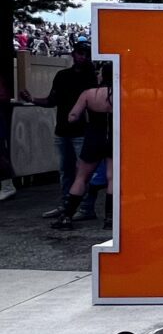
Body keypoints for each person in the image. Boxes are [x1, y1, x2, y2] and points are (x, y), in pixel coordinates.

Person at [19, 41, 98, 219]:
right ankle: (72, 206)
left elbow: (51, 101)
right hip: (67, 130)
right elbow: (51, 100)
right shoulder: (67, 76)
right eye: (80, 52)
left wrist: (33, 99)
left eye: (85, 53)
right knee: (69, 171)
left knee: (77, 172)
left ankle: (80, 207)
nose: (82, 56)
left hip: (78, 130)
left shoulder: (89, 77)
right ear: (74, 53)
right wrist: (33, 99)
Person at [52, 62, 115, 230]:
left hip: (94, 137)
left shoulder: (89, 94)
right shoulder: (123, 94)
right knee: (113, 178)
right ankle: (110, 219)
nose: (98, 75)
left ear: (103, 74)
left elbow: (72, 116)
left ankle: (66, 216)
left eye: (100, 72)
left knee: (82, 177)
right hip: (116, 138)